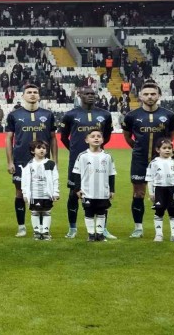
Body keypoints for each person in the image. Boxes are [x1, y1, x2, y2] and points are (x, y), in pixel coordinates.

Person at [122, 82, 174, 239]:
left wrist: (163, 153)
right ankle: (138, 228)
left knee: (171, 193)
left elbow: (170, 137)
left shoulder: (168, 115)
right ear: (140, 96)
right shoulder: (132, 116)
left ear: (159, 95)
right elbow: (127, 136)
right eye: (146, 94)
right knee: (138, 193)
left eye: (153, 94)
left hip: (163, 161)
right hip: (139, 160)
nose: (150, 97)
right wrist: (137, 148)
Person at [59, 87, 114, 239]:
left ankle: (103, 229)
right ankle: (72, 228)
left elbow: (107, 136)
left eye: (92, 94)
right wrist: (75, 151)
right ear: (80, 95)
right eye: (86, 94)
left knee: (102, 194)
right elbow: (63, 137)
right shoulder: (70, 114)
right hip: (77, 161)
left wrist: (96, 150)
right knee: (73, 193)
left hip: (99, 161)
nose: (90, 96)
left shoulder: (105, 114)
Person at [6, 84, 58, 237]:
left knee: (44, 191)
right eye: (29, 92)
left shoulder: (48, 114)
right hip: (21, 159)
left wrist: (55, 160)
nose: (32, 94)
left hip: (43, 160)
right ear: (23, 96)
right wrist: (10, 162)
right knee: (19, 192)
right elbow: (9, 139)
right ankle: (21, 227)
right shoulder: (14, 115)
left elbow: (53, 138)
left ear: (39, 96)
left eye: (35, 92)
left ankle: (42, 228)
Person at [72, 129, 116, 242]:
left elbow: (111, 174)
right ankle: (91, 234)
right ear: (87, 140)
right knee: (89, 212)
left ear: (103, 140)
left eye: (99, 136)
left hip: (103, 191)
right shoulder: (82, 156)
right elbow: (77, 173)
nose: (96, 138)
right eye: (93, 136)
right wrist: (77, 189)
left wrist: (112, 190)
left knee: (101, 212)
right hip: (87, 191)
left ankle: (100, 234)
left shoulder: (107, 156)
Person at [147, 138, 174, 242]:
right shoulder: (154, 163)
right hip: (159, 189)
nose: (167, 150)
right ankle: (159, 235)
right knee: (159, 211)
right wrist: (151, 193)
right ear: (158, 149)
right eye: (164, 148)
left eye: (169, 148)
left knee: (173, 211)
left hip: (173, 190)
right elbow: (150, 179)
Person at [21, 140, 59, 241]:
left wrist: (56, 192)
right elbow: (24, 180)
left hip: (47, 194)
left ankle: (45, 232)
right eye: (39, 148)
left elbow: (55, 179)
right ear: (32, 151)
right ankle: (37, 232)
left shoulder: (50, 163)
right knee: (35, 212)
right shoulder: (29, 164)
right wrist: (25, 193)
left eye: (44, 148)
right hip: (34, 194)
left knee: (47, 212)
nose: (42, 150)